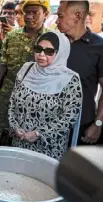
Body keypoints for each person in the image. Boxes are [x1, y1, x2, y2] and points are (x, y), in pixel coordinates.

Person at [9, 31, 83, 160]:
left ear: (60, 53)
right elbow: (12, 102)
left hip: (49, 149)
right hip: (20, 142)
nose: (41, 54)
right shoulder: (26, 70)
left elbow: (69, 117)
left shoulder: (70, 79)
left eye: (49, 51)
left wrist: (39, 133)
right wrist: (14, 126)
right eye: (38, 49)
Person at [0, 0, 50, 144]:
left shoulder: (50, 39)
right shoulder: (12, 36)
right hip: (8, 94)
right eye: (27, 12)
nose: (29, 16)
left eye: (35, 13)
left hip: (35, 99)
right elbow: (3, 66)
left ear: (46, 14)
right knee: (1, 133)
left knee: (26, 137)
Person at [56, 0, 103, 147]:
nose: (57, 21)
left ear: (77, 16)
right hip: (49, 125)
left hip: (80, 127)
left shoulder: (98, 47)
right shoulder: (53, 43)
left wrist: (98, 123)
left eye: (61, 16)